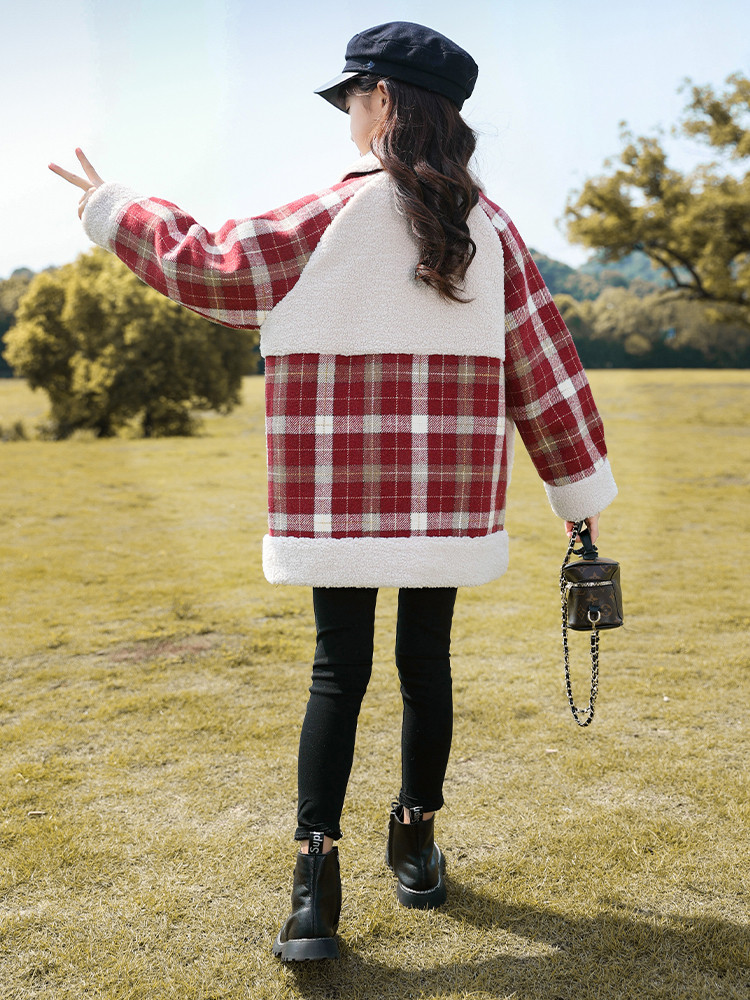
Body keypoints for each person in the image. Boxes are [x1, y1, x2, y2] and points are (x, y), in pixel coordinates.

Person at [50, 21, 616, 963]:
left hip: (336, 494)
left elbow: (210, 266)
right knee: (426, 666)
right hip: (448, 498)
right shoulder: (492, 229)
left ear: (383, 99)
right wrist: (577, 489)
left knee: (336, 673)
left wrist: (114, 207)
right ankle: (415, 842)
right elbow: (545, 367)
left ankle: (314, 887)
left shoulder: (326, 217)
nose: (349, 115)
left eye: (352, 98)